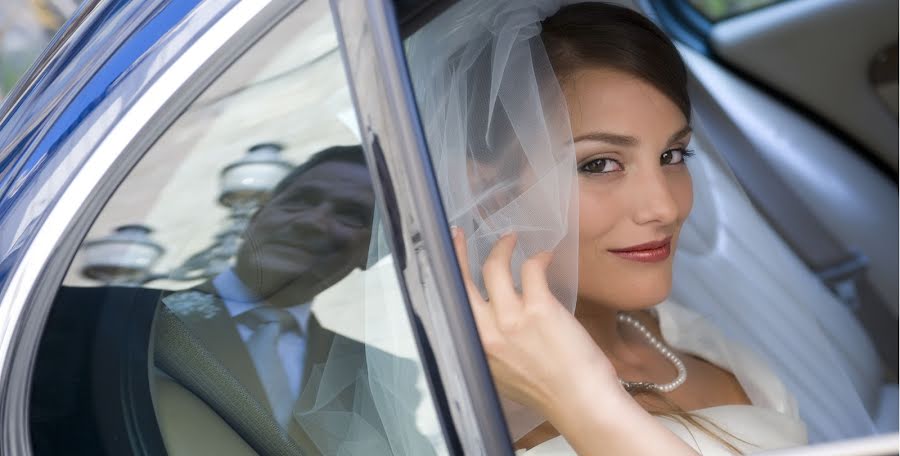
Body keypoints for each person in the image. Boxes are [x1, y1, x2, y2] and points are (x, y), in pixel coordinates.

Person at [406, 1, 874, 454]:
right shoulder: (477, 426)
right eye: (599, 164)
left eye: (673, 155)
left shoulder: (694, 338)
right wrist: (579, 402)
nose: (665, 206)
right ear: (495, 194)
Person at [163, 144, 434, 455]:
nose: (313, 222)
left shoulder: (377, 371)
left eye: (351, 215)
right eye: (300, 201)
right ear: (257, 214)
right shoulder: (138, 319)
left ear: (372, 253)